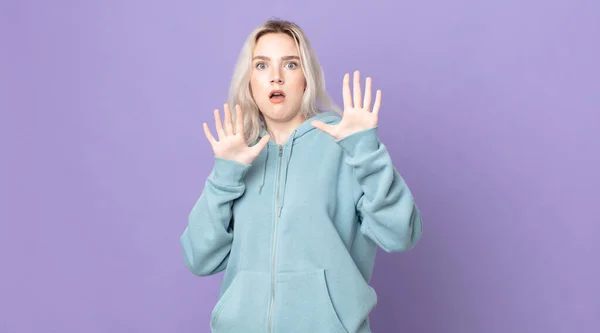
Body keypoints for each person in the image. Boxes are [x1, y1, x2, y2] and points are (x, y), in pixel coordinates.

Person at [180, 18, 423, 333]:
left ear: (307, 77)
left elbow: (400, 234)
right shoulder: (240, 155)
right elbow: (198, 258)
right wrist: (224, 176)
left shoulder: (345, 145)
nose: (276, 77)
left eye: (290, 64)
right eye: (262, 65)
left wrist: (366, 152)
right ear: (249, 80)